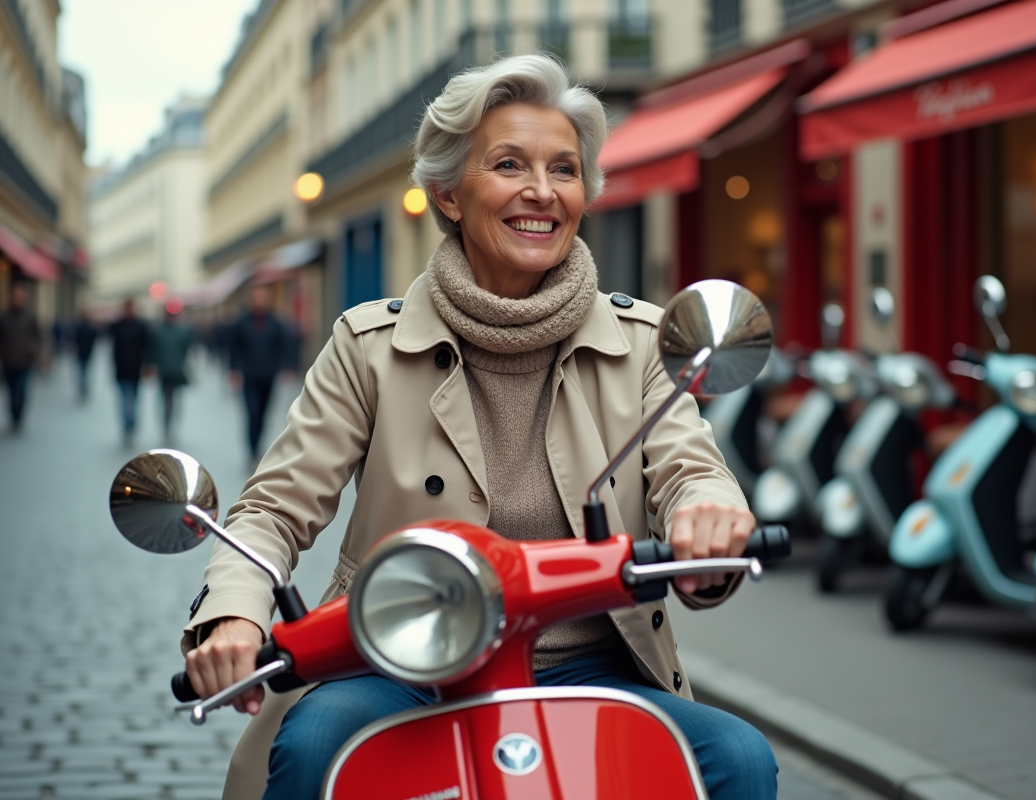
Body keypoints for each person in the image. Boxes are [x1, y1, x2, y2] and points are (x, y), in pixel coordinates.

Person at [182, 55, 776, 800]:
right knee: (313, 750)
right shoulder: (369, 345)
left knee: (739, 760)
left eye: (564, 170)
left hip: (591, 662)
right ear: (449, 194)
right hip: (397, 660)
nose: (541, 191)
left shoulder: (642, 342)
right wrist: (234, 611)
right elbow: (273, 507)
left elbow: (690, 468)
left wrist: (706, 518)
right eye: (508, 164)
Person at [227, 285, 289, 463]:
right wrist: (233, 371)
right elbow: (234, 348)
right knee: (252, 412)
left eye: (263, 297)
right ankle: (252, 449)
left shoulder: (275, 322)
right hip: (249, 375)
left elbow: (284, 345)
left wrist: (288, 365)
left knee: (263, 413)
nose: (260, 300)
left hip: (269, 374)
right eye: (257, 297)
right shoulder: (242, 322)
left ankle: (259, 443)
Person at [0, 282, 41, 432]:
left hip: (25, 362)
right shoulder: (4, 317)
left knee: (21, 393)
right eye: (16, 296)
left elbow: (38, 337)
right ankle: (13, 416)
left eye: (21, 296)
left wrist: (33, 350)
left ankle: (19, 418)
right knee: (11, 393)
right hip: (9, 362)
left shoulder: (30, 317)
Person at [109, 299, 150, 446]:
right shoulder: (117, 325)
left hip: (135, 369)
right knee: (125, 399)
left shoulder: (140, 326)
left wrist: (146, 366)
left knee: (133, 399)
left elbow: (146, 346)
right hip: (121, 368)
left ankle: (131, 424)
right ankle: (127, 426)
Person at [149, 306, 193, 441]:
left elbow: (152, 351)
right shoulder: (182, 331)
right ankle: (170, 422)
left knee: (167, 398)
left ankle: (168, 423)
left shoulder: (158, 331)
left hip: (166, 370)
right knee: (172, 398)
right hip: (173, 370)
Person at [72, 311, 99, 401]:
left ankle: (82, 387)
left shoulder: (78, 328)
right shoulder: (91, 328)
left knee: (81, 371)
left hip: (81, 353)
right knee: (85, 371)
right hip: (88, 353)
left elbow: (75, 340)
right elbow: (94, 339)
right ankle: (84, 387)